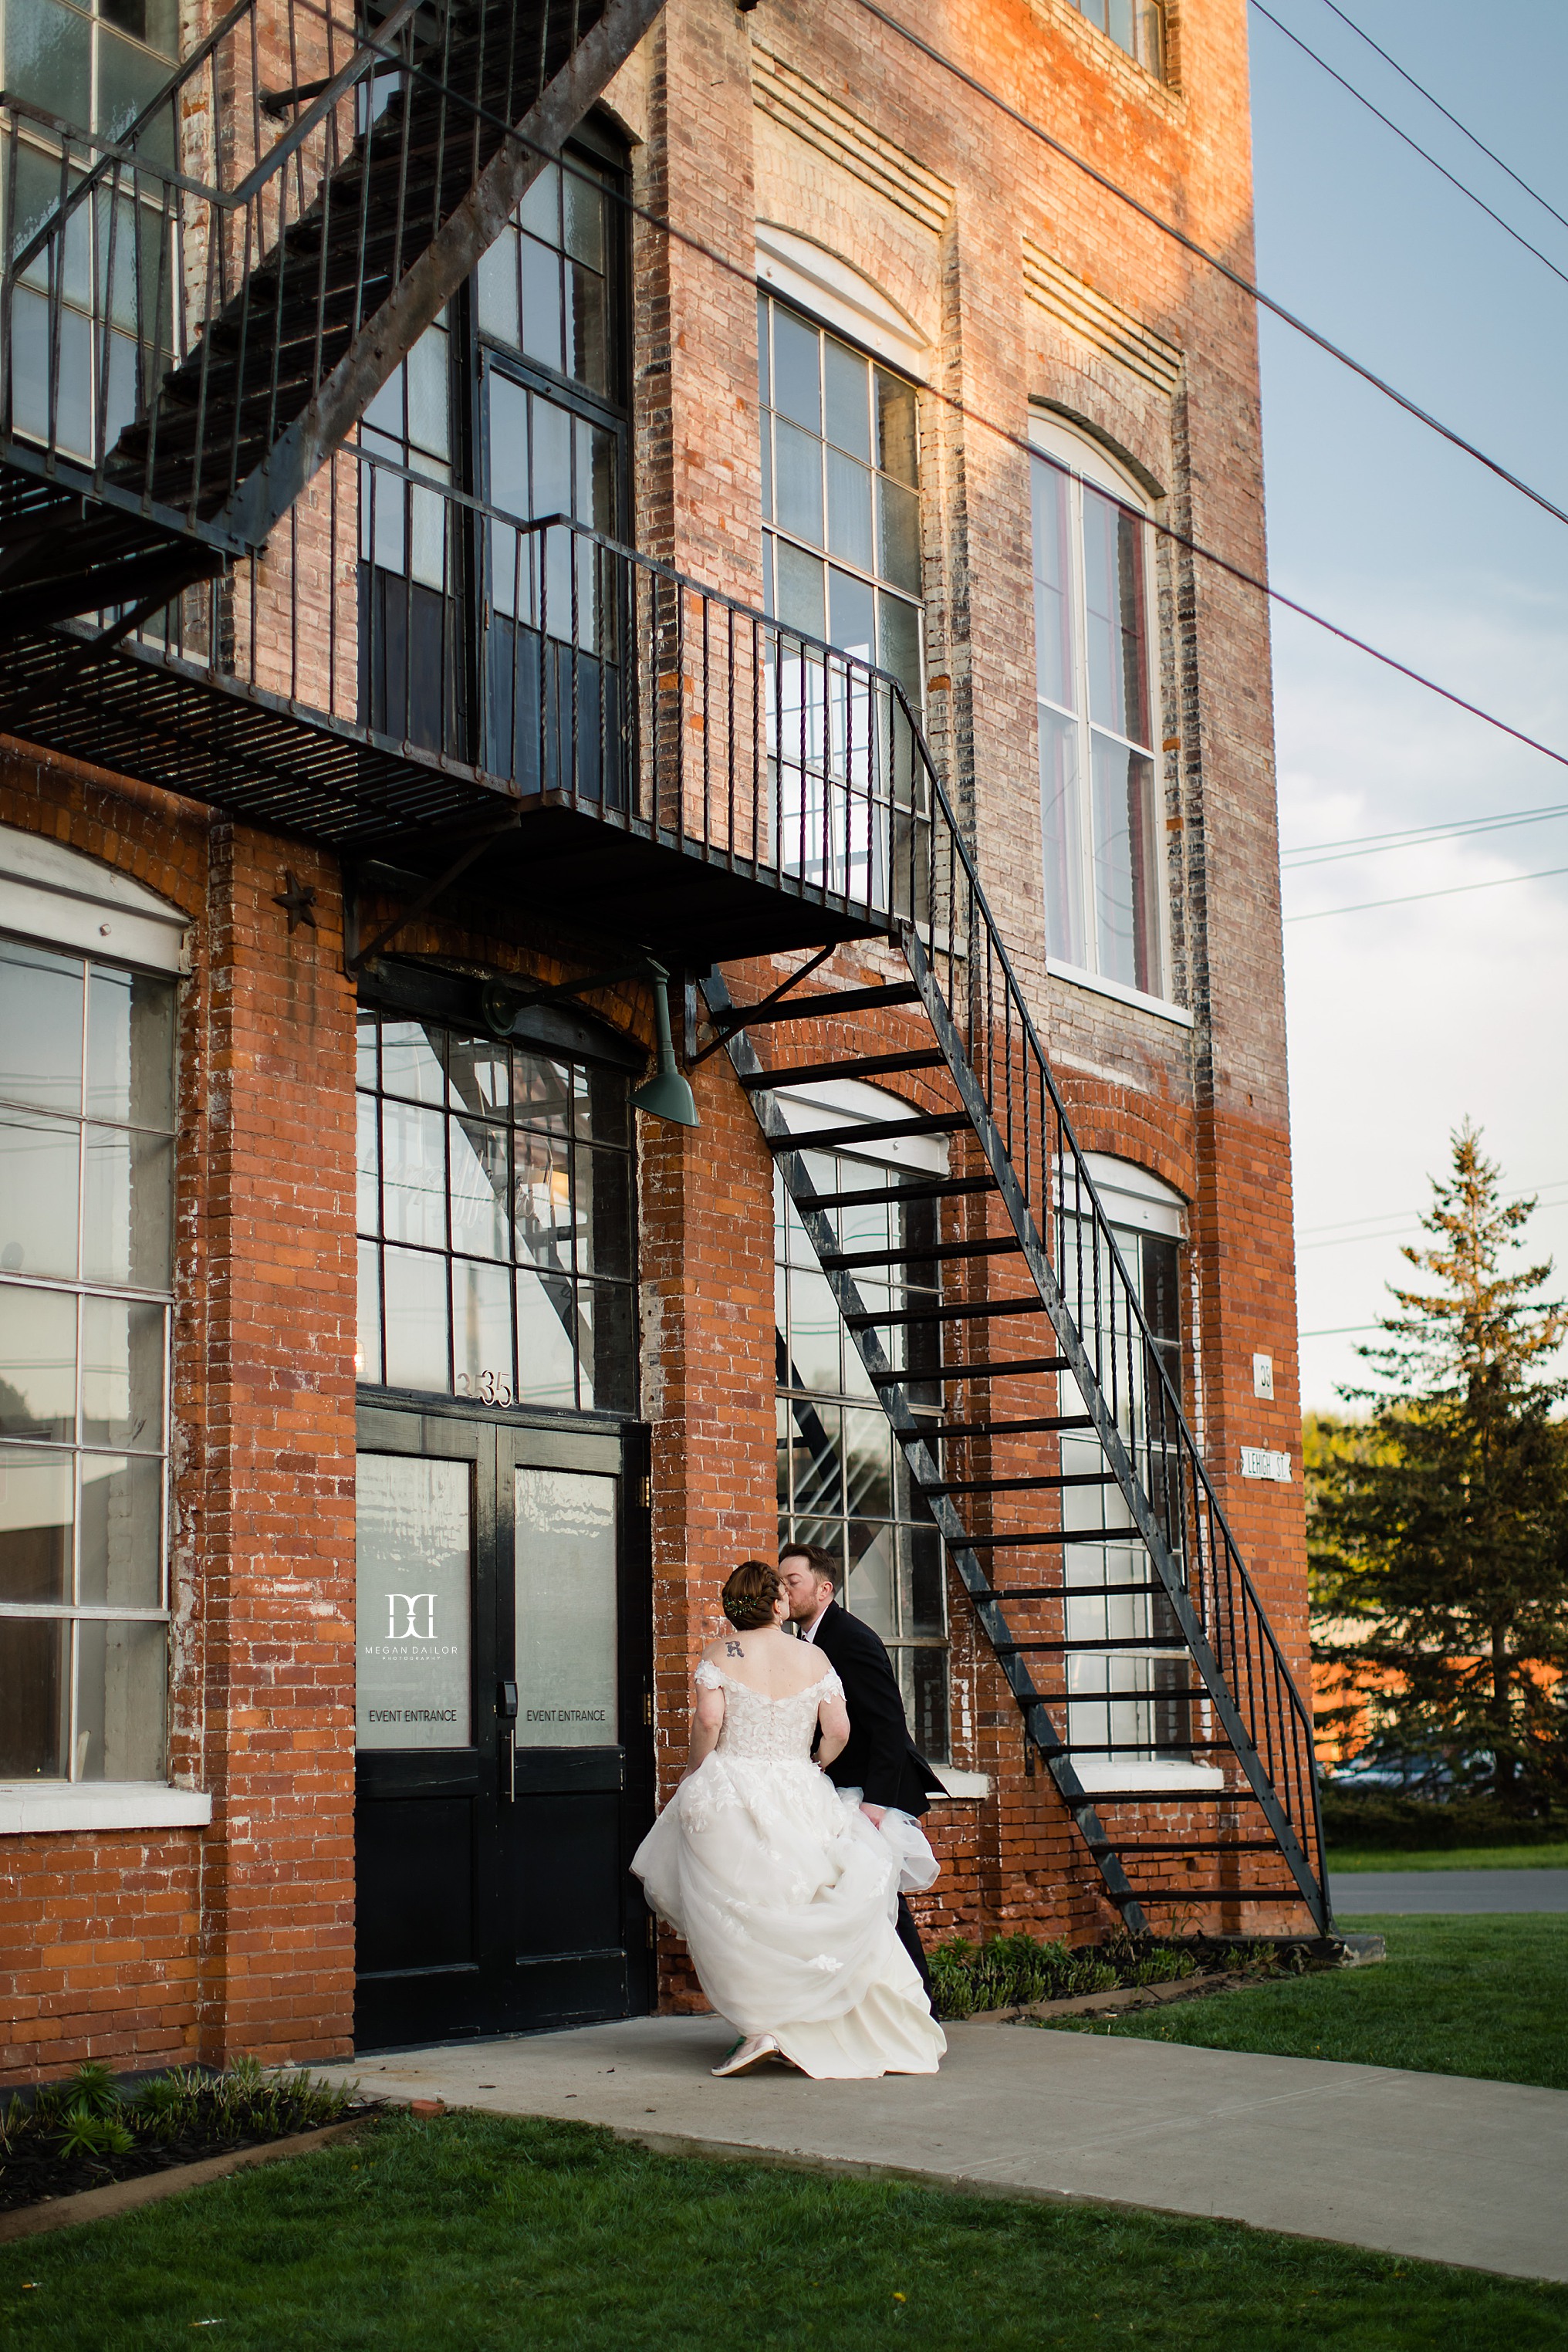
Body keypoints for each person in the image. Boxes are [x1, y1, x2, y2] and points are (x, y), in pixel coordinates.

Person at [631, 1559, 946, 2080]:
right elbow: (839, 1729)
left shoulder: (720, 1654)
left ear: (733, 1606)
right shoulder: (814, 1656)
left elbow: (710, 1720)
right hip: (799, 1788)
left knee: (748, 1908)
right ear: (777, 1604)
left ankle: (766, 2022)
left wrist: (695, 1772)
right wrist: (813, 1763)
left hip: (734, 1786)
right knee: (805, 1898)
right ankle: (802, 2021)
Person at [776, 1542, 940, 1996]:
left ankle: (919, 2004)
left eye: (794, 1582)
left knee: (881, 1896)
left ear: (824, 1588)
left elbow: (889, 1725)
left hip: (869, 1793)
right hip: (836, 1790)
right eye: (781, 1583)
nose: (785, 1592)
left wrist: (876, 1802)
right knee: (857, 1896)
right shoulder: (803, 1642)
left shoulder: (852, 1639)